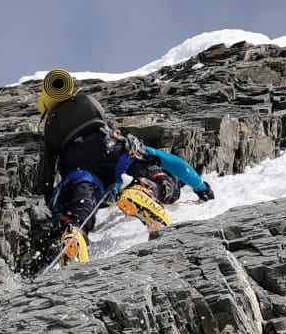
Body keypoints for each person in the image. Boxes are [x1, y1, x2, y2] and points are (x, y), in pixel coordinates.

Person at [35, 70, 211, 265]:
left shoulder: (50, 127)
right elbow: (171, 161)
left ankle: (74, 235)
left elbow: (47, 176)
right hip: (111, 149)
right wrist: (200, 187)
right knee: (155, 173)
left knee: (81, 207)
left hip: (78, 169)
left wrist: (54, 214)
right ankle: (143, 190)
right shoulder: (88, 103)